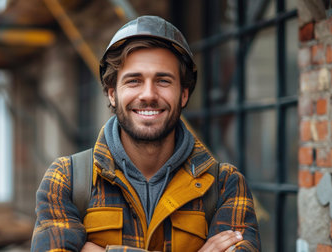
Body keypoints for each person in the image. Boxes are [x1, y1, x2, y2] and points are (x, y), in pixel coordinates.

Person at [31, 15, 260, 252]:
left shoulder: (225, 185)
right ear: (112, 94)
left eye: (163, 80)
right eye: (134, 81)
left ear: (183, 94)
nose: (148, 95)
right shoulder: (66, 180)